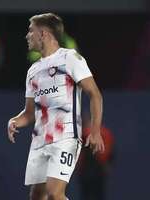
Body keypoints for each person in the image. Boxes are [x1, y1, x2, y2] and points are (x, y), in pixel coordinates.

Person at [7, 13, 105, 200]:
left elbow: (95, 95)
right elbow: (29, 113)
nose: (27, 36)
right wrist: (15, 121)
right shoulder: (33, 70)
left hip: (65, 138)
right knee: (37, 196)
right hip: (39, 141)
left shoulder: (71, 58)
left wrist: (95, 130)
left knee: (54, 193)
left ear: (43, 34)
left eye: (31, 31)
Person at [77, 114, 115, 200]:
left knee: (94, 195)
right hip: (88, 171)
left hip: (95, 170)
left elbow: (109, 153)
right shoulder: (105, 133)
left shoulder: (86, 134)